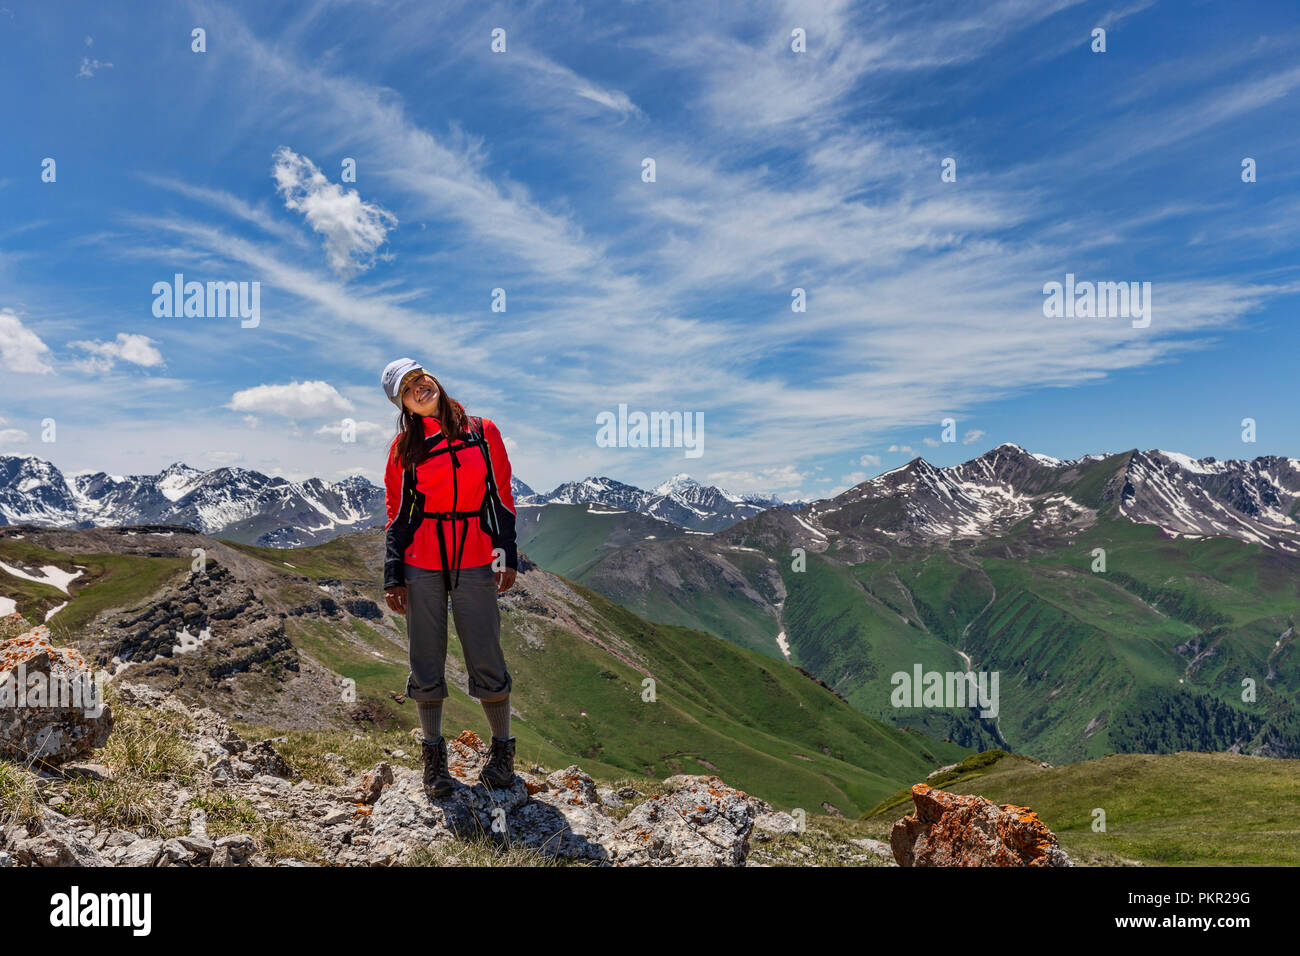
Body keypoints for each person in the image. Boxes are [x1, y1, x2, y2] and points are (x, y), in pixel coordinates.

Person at [379, 357, 519, 796]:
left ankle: (501, 752)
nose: (419, 387)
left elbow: (501, 492)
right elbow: (396, 512)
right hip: (422, 557)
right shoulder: (404, 448)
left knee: (485, 650)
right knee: (425, 654)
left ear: (432, 379)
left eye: (420, 378)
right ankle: (434, 758)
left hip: (476, 552)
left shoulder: (483, 431)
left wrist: (506, 552)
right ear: (402, 404)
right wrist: (393, 573)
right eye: (407, 388)